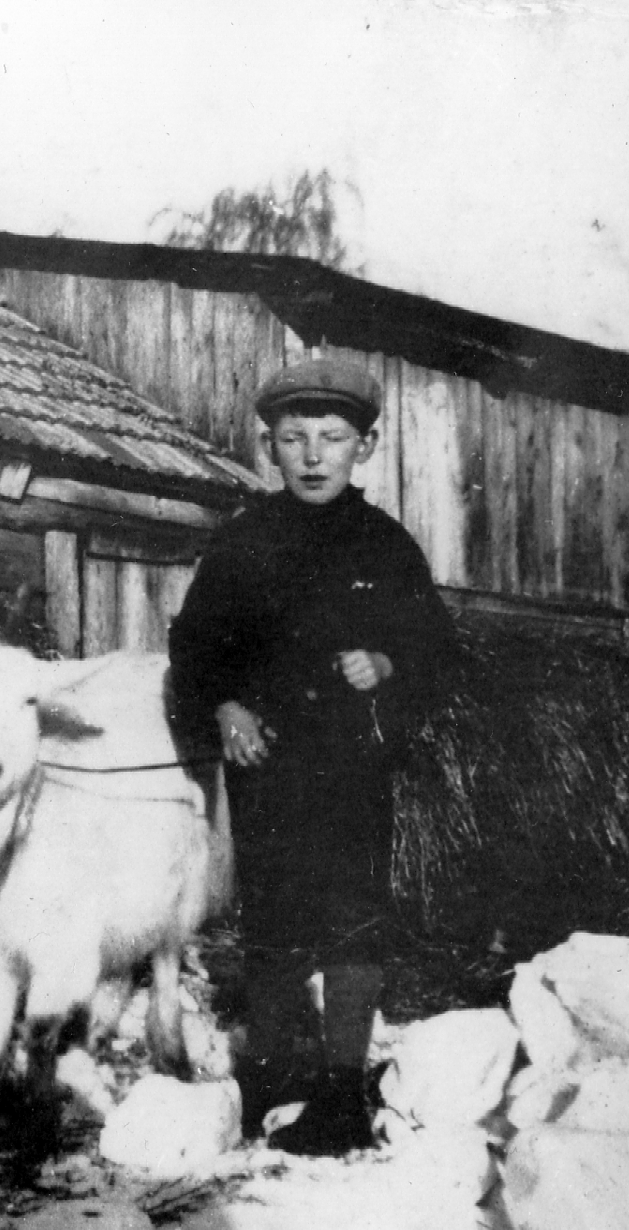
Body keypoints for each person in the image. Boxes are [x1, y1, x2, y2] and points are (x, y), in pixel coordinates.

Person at [168, 353, 456, 1155]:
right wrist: (224, 706)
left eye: (332, 438)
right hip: (266, 769)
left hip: (355, 770)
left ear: (364, 446)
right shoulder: (242, 542)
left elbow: (437, 651)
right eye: (294, 438)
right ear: (269, 448)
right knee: (273, 920)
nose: (313, 455)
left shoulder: (385, 546)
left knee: (353, 922)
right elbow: (192, 647)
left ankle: (339, 1097)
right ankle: (272, 1074)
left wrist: (387, 664)